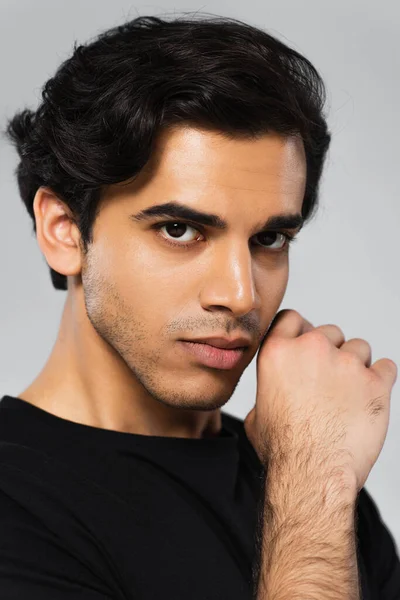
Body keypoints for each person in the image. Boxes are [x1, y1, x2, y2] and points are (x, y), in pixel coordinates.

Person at [1, 12, 399, 599]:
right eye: (180, 230)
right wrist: (315, 483)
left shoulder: (304, 473)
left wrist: (314, 476)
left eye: (269, 240)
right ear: (64, 230)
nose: (239, 294)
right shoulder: (16, 503)